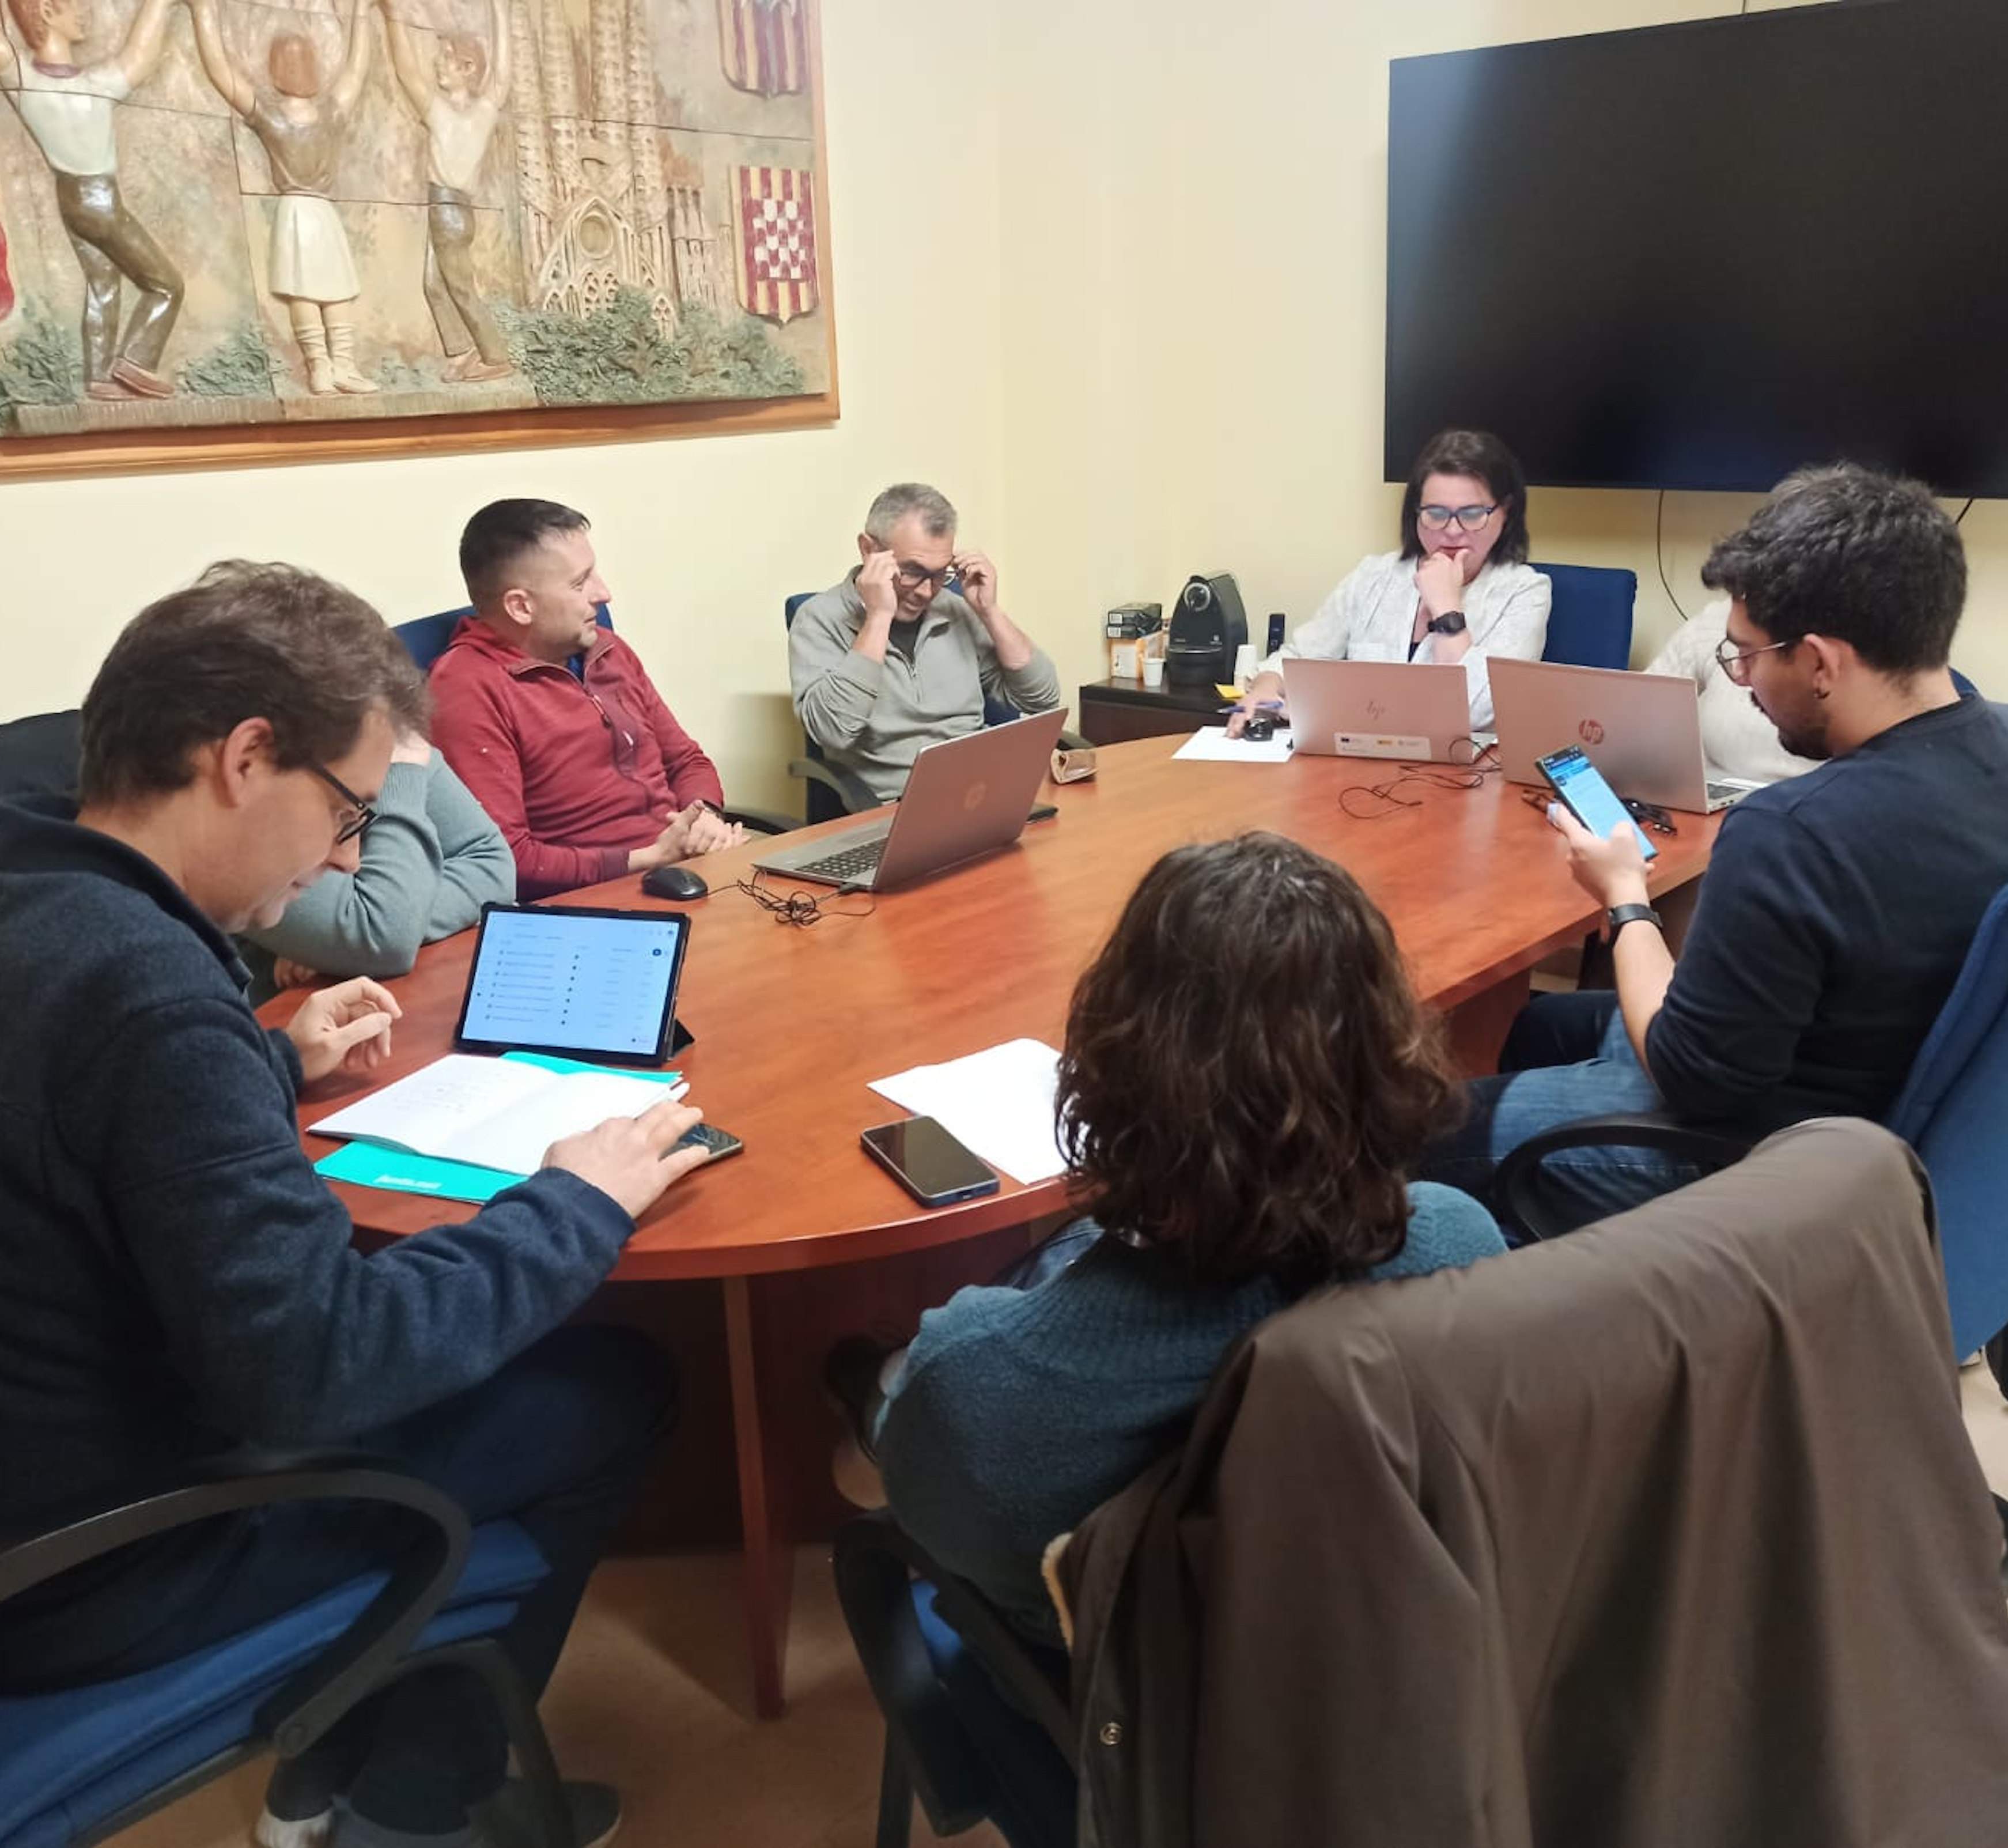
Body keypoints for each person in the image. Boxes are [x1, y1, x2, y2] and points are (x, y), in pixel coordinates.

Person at [0, 562, 714, 1848]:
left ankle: (349, 1745)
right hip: (110, 1556)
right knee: (607, 1386)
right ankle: (404, 1808)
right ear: (247, 756)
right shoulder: (141, 987)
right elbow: (325, 1368)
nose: (349, 854)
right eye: (352, 808)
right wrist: (573, 1201)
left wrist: (268, 1058)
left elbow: (62, 1108)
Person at [1420, 463, 2008, 1232]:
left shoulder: (1795, 830)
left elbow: (1691, 1075)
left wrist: (1626, 898)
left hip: (1772, 1160)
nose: (1741, 679)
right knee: (1545, 1026)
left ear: (1819, 660)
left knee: (1412, 1133)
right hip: (1912, 1116)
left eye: (1747, 654)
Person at [861, 833, 1505, 1645]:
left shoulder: (980, 1380)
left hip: (1120, 1725)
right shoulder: (1461, 1247)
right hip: (1372, 1676)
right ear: (1386, 1054)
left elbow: (941, 1525)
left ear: (1105, 1063)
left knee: (883, 1388)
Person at [430, 498, 743, 899]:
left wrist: (703, 819)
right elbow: (504, 857)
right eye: (580, 584)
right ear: (521, 606)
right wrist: (648, 858)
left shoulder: (609, 650)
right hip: (591, 900)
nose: (604, 593)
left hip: (687, 869)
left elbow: (686, 761)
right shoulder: (467, 686)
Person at [1228, 428, 1551, 738]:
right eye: (1436, 513)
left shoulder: (1525, 593)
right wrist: (1269, 684)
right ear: (1415, 513)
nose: (1452, 530)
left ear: (1505, 513)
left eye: (1472, 513)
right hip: (1357, 765)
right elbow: (1300, 656)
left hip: (1462, 778)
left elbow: (1475, 713)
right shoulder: (1374, 576)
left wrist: (1447, 609)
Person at [0, 0, 186, 400]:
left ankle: (99, 376)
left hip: (70, 201)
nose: (85, 13)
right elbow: (139, 54)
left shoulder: (24, 80)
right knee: (166, 285)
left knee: (103, 286)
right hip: (101, 201)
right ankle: (137, 361)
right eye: (76, 5)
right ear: (47, 12)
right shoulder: (95, 85)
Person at [789, 482, 1064, 803]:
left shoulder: (954, 608)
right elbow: (833, 730)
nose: (926, 592)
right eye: (911, 571)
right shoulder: (819, 618)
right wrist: (878, 617)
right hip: (891, 808)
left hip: (977, 796)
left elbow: (1041, 699)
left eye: (939, 574)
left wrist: (989, 612)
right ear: (868, 550)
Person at [238, 718, 515, 999]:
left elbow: (491, 863)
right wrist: (381, 924)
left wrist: (392, 920)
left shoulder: (381, 717)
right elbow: (382, 933)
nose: (351, 861)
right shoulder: (280, 738)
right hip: (282, 1023)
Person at [192, 0, 383, 395]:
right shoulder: (287, 114)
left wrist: (204, 15)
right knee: (314, 289)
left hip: (308, 211)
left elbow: (221, 72)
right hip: (304, 210)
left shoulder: (315, 113)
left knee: (324, 288)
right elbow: (356, 68)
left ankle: (336, 365)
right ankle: (324, 365)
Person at [378, 0, 517, 383]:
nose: (437, 63)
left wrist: (394, 19)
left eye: (446, 58)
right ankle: (460, 350)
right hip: (452, 211)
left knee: (459, 287)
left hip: (449, 212)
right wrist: (501, 14)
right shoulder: (480, 110)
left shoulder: (447, 113)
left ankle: (495, 355)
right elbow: (502, 73)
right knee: (433, 283)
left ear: (468, 69)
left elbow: (406, 70)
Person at [1647, 595, 1824, 787]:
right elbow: (1642, 710)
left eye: (1749, 655)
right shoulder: (1718, 620)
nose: (1739, 675)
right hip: (1721, 797)